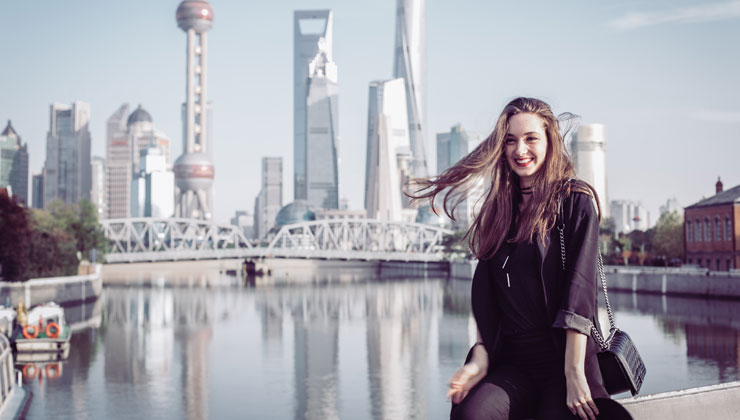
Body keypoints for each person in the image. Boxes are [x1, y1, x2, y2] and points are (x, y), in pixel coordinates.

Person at [410, 97, 622, 420]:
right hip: (513, 365)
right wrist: (479, 360)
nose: (520, 150)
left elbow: (580, 294)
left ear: (550, 140)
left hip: (563, 363)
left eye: (530, 138)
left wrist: (574, 372)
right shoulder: (499, 211)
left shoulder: (576, 202)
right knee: (470, 413)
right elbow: (487, 298)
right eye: (510, 140)